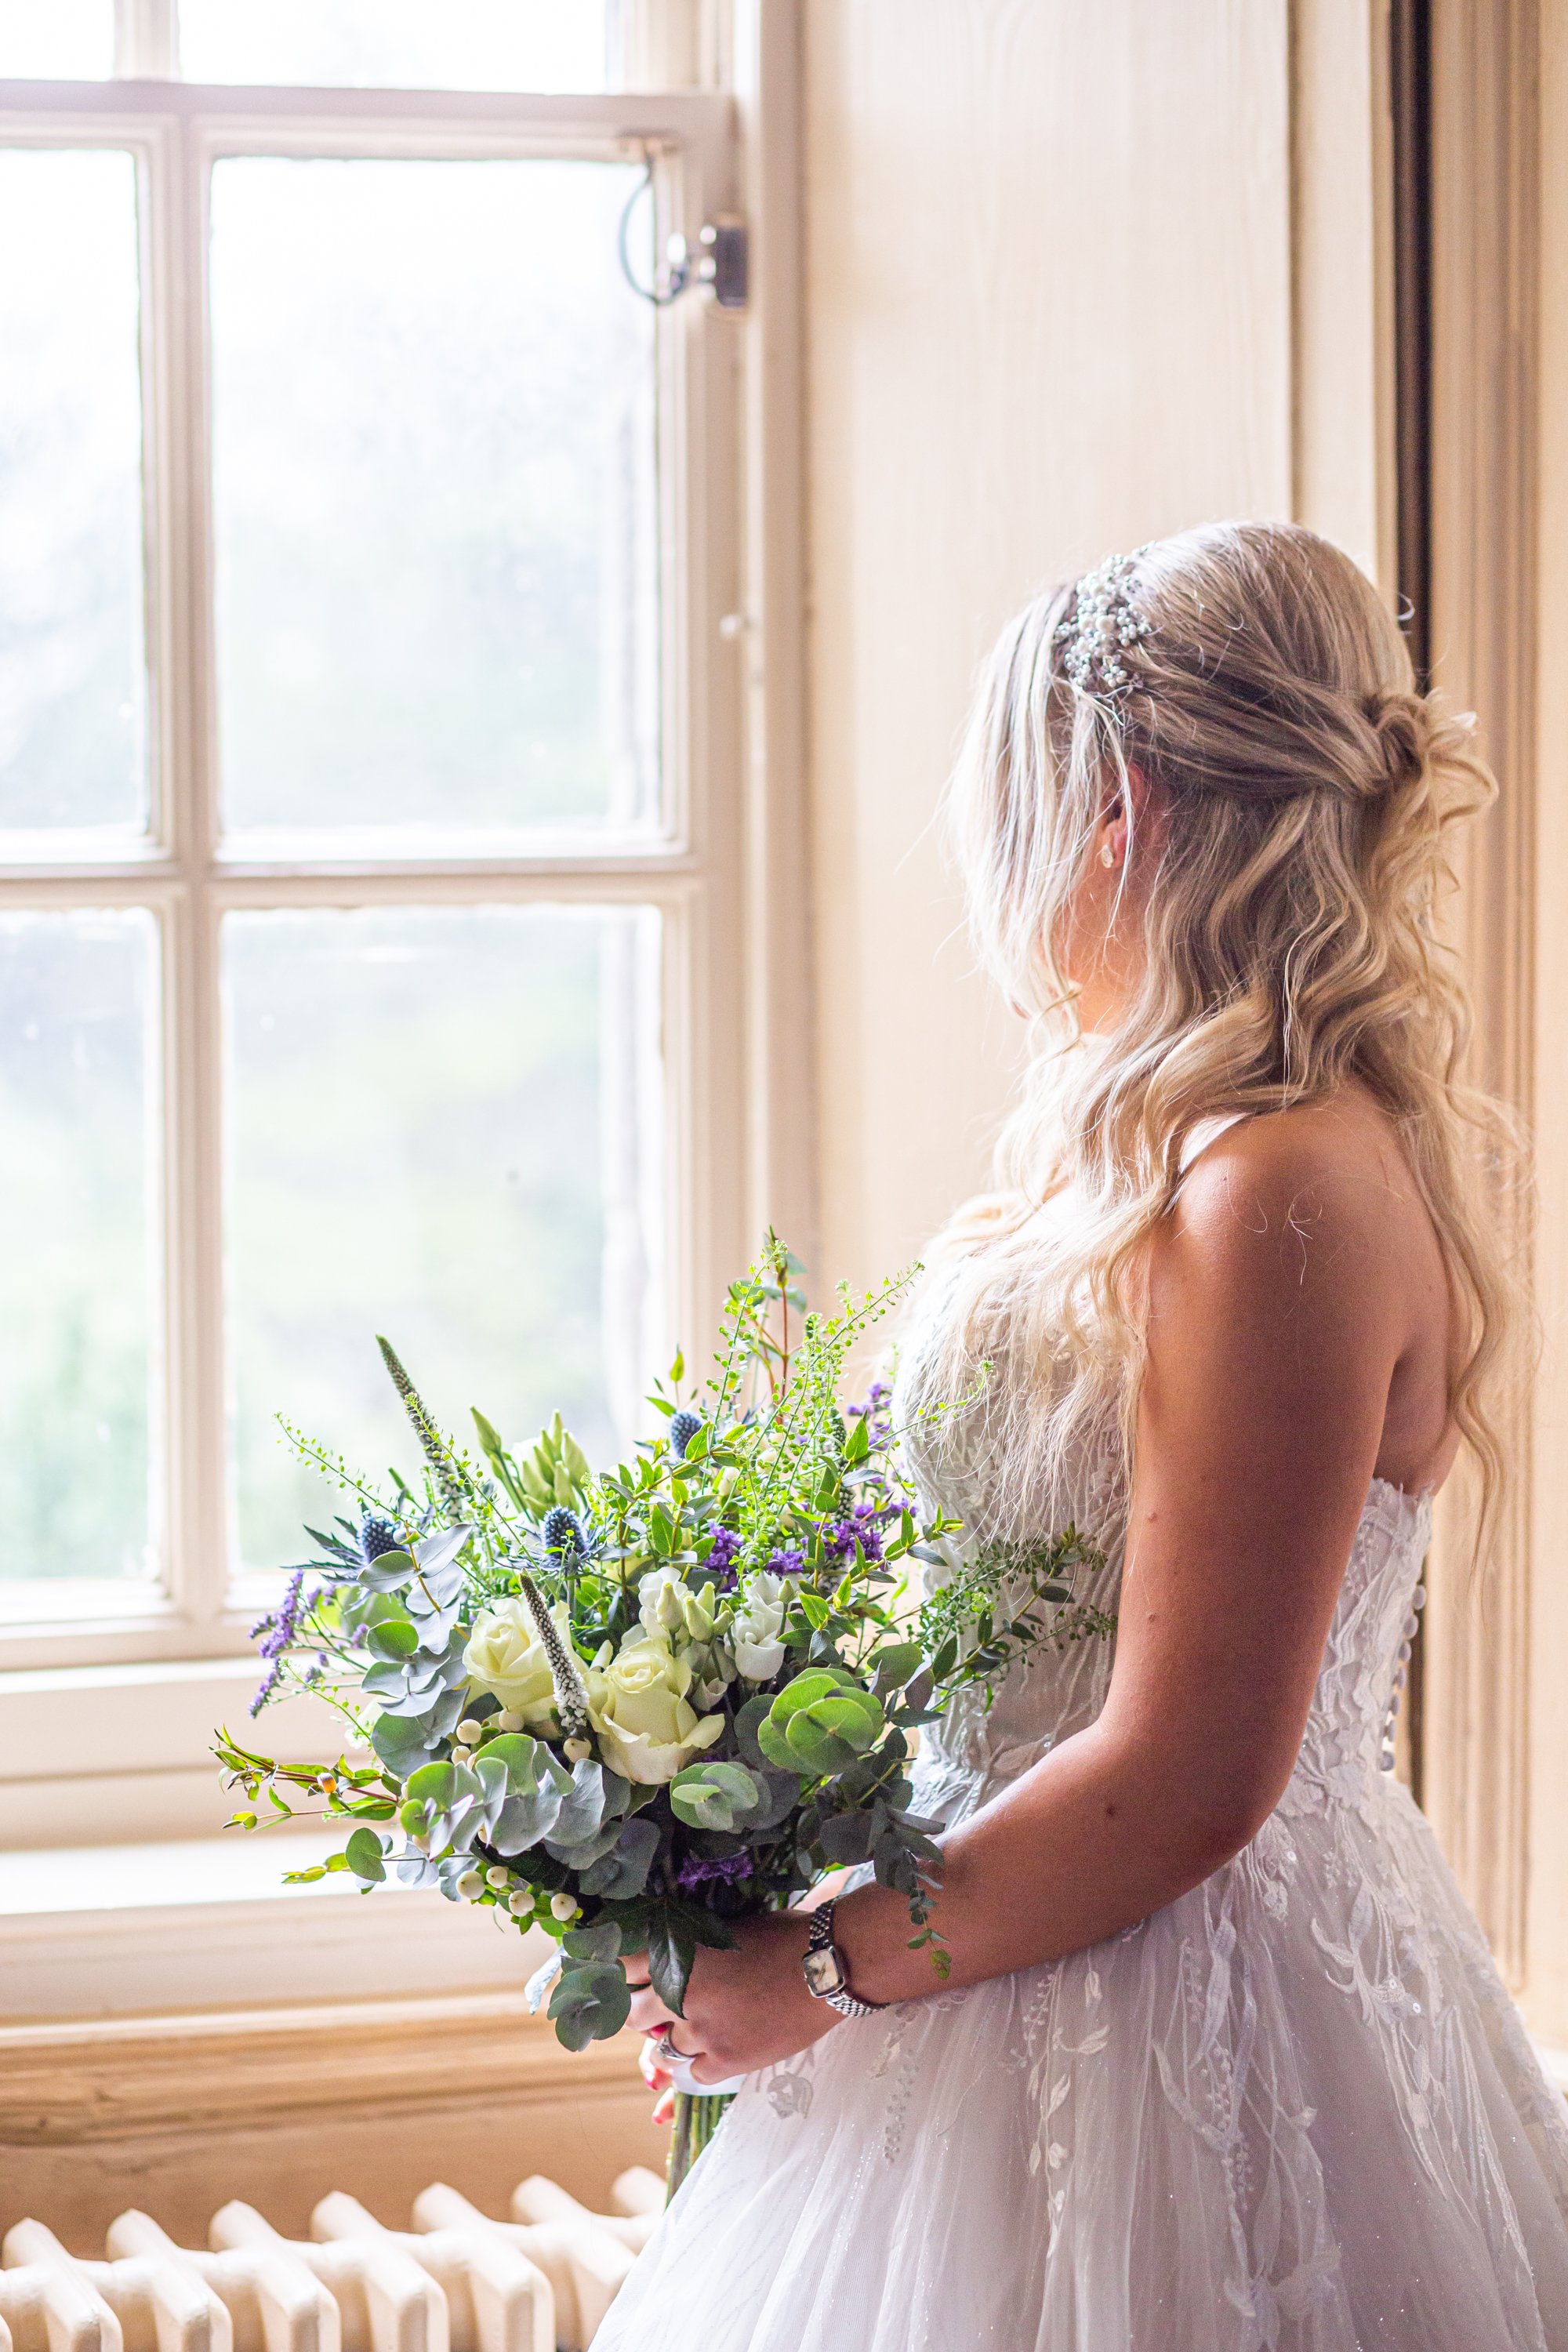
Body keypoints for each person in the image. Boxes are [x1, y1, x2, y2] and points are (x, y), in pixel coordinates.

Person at [593, 523, 1568, 2350]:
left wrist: (810, 1973)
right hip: (1004, 1951)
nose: (995, 857)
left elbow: (1190, 1773)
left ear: (1113, 807)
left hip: (1176, 2033)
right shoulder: (1184, 1157)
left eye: (1017, 796)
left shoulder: (1269, 1185)